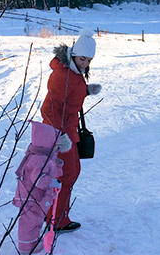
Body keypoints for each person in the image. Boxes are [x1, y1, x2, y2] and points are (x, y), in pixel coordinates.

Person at [41, 29, 102, 233]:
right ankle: (57, 220)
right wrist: (60, 136)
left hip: (68, 130)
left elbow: (68, 98)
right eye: (82, 58)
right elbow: (49, 109)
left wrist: (85, 91)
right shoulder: (63, 75)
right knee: (67, 174)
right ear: (74, 54)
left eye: (88, 60)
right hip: (60, 134)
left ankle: (54, 216)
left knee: (68, 174)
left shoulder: (74, 73)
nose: (85, 63)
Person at [13, 122, 71, 254]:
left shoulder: (40, 155)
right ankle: (26, 247)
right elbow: (39, 180)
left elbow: (47, 172)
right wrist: (51, 183)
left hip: (31, 195)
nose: (57, 151)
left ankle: (32, 241)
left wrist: (57, 167)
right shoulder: (40, 159)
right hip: (31, 196)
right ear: (48, 144)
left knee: (36, 220)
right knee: (30, 221)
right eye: (56, 148)